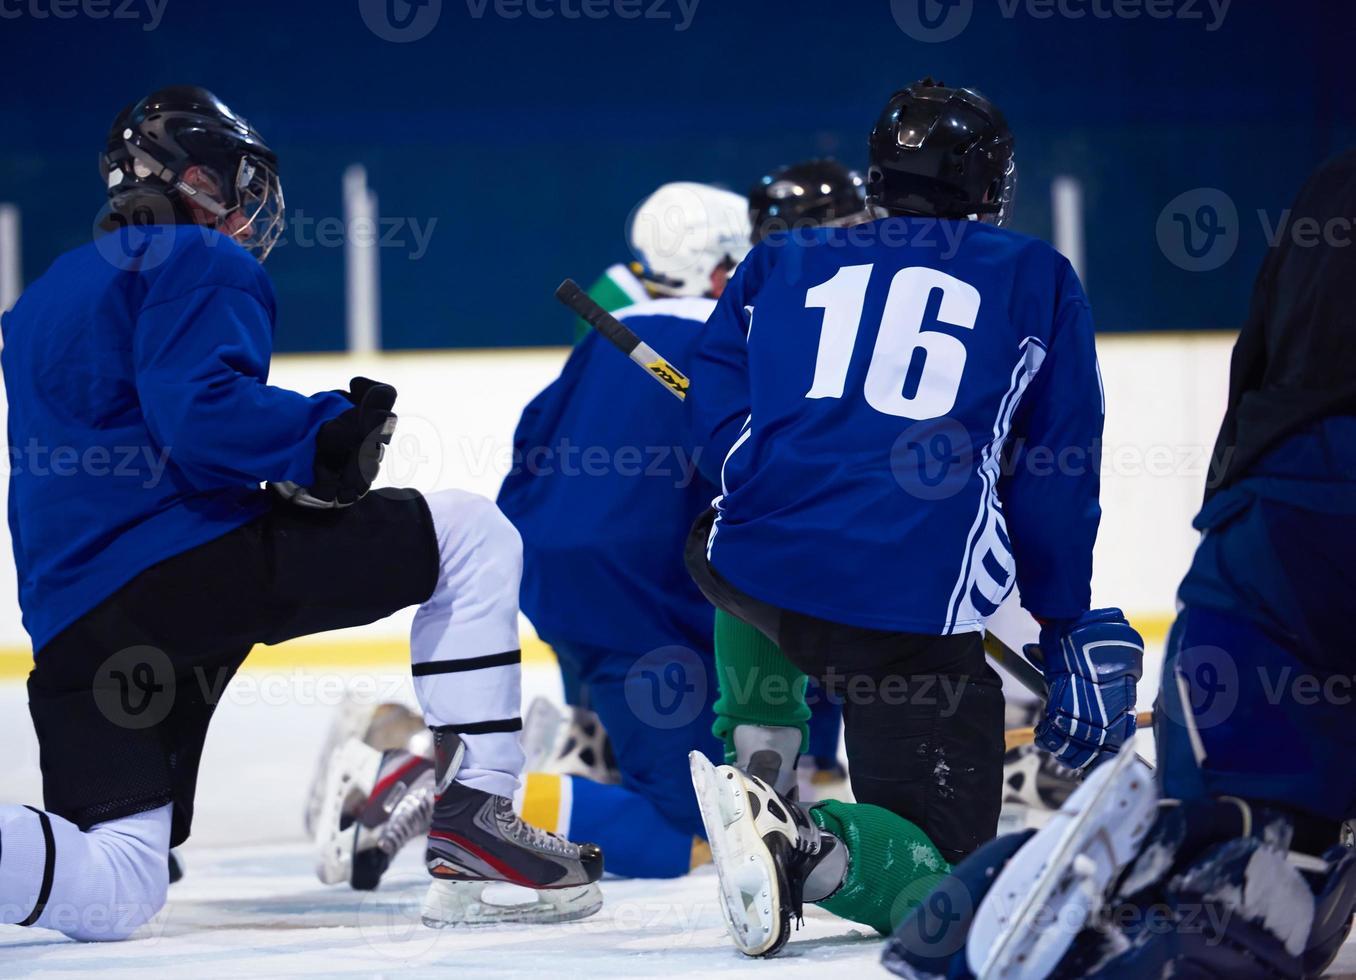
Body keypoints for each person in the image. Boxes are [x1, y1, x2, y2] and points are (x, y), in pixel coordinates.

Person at [0, 85, 602, 941]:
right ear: (191, 177)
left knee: (119, 882)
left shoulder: (43, 297)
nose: (247, 204)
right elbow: (197, 414)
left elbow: (132, 435)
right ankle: (477, 812)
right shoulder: (197, 258)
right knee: (469, 531)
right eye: (235, 180)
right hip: (178, 571)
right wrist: (323, 435)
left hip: (71, 625)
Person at [681, 78, 1144, 957]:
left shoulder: (777, 260)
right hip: (903, 608)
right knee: (953, 883)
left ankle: (761, 742)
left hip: (740, 563)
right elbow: (1052, 469)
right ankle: (808, 848)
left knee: (761, 551)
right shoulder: (1035, 274)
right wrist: (1068, 620)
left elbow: (715, 393)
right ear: (989, 178)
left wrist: (757, 472)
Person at [885, 150, 1356, 980]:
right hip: (1274, 520)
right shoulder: (1030, 276)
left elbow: (1260, 383)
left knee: (1246, 846)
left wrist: (1231, 546)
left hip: (1273, 524)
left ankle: (1207, 877)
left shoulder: (1331, 184)